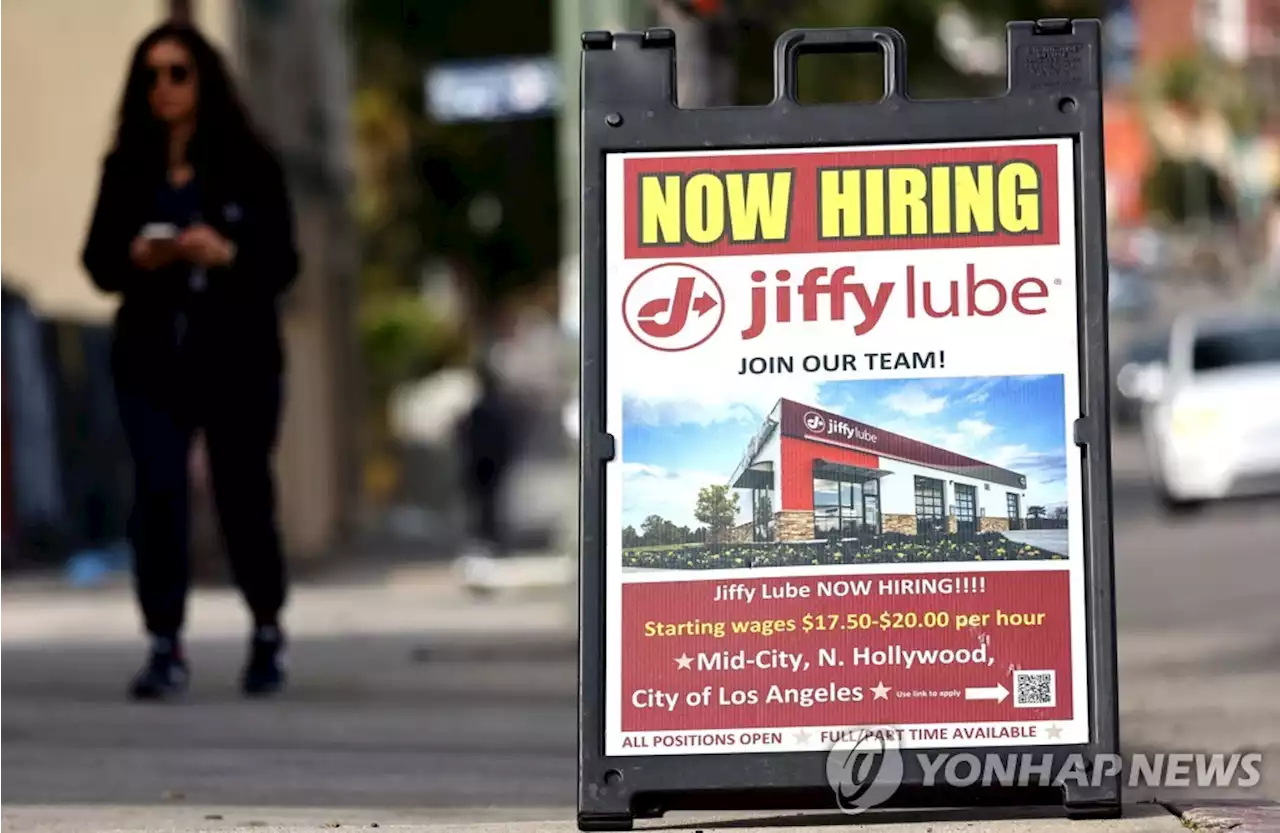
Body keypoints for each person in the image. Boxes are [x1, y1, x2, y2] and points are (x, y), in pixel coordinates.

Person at [81, 22, 299, 700]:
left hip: (236, 357)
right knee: (158, 493)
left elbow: (284, 263)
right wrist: (137, 257)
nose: (163, 88)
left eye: (177, 73)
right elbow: (97, 262)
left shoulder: (249, 162)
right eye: (150, 76)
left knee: (242, 494)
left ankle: (266, 628)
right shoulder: (127, 167)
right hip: (151, 358)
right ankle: (163, 641)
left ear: (203, 79)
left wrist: (225, 252)